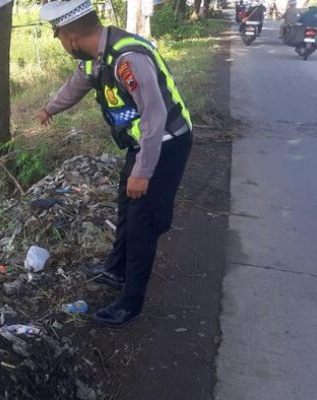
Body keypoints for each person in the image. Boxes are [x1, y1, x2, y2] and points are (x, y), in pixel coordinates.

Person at [37, 0, 192, 327]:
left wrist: (143, 171)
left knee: (142, 224)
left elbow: (155, 115)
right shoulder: (97, 57)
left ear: (70, 38)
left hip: (165, 144)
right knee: (127, 206)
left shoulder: (128, 59)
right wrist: (50, 109)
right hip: (144, 143)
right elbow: (76, 85)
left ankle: (130, 303)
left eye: (61, 39)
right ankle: (116, 269)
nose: (64, 46)